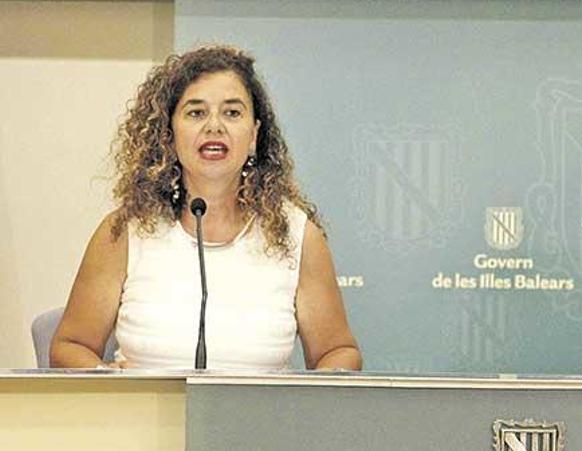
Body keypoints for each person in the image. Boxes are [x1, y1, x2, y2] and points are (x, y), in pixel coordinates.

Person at [50, 45, 362, 370]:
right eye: (196, 113)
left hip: (263, 419)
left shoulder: (297, 236)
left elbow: (337, 352)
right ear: (168, 135)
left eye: (232, 112)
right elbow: (70, 346)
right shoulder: (125, 232)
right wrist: (105, 378)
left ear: (254, 134)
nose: (214, 126)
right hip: (147, 419)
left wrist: (307, 401)